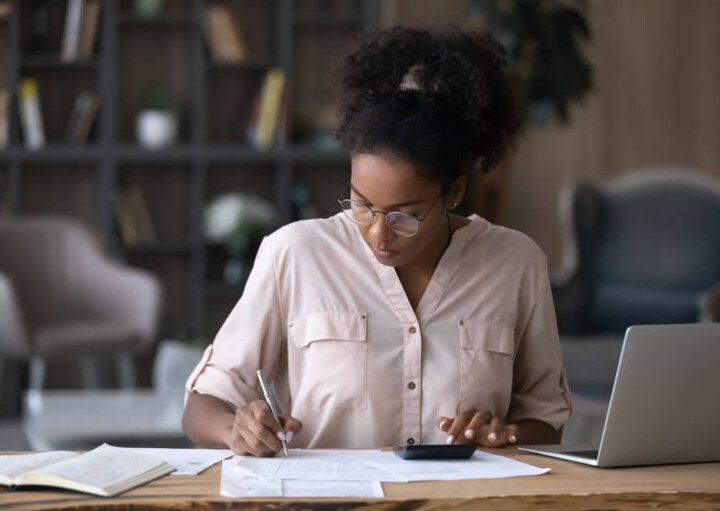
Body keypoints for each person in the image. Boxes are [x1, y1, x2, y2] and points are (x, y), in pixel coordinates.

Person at [182, 26, 571, 457]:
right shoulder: (294, 254)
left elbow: (546, 422)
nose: (377, 233)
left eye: (404, 215)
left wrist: (502, 434)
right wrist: (236, 429)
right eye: (362, 204)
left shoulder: (517, 264)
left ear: (455, 192)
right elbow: (202, 405)